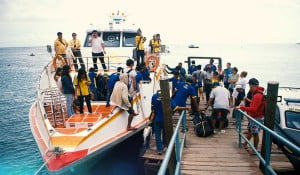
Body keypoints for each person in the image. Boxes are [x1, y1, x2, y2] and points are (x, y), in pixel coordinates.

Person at [236, 78, 265, 155]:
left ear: (252, 85)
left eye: (250, 86)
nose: (249, 87)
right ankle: (245, 143)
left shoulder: (257, 95)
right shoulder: (257, 94)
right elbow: (254, 104)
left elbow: (254, 109)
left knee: (255, 134)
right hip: (253, 117)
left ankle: (254, 150)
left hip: (256, 117)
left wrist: (241, 107)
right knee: (250, 131)